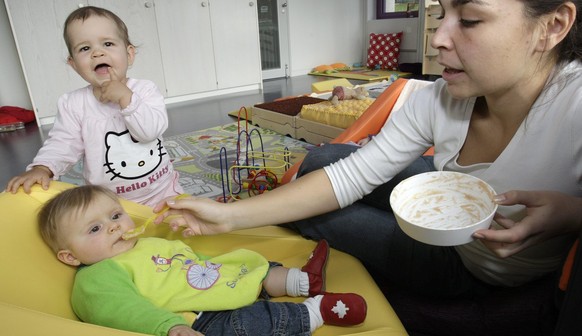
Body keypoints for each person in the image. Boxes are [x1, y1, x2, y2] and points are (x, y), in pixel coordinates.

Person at [151, 0, 582, 325]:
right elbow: (353, 174)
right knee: (321, 160)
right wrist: (226, 217)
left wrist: (572, 214)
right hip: (445, 204)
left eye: (468, 19)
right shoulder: (436, 98)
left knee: (324, 216)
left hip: (471, 265)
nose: (437, 37)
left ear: (552, 26)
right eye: (441, 12)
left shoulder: (575, 104)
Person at [38, 185, 367, 336]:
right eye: (95, 228)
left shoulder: (144, 242)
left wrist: (226, 269)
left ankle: (304, 281)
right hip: (197, 316)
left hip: (208, 280)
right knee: (249, 321)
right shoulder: (97, 276)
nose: (114, 226)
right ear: (69, 256)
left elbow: (189, 259)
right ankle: (316, 312)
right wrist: (171, 327)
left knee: (255, 267)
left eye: (115, 215)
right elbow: (122, 310)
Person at [5, 6, 182, 207]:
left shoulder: (145, 90)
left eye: (108, 43)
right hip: (110, 202)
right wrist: (43, 168)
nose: (97, 53)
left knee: (185, 226)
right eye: (85, 48)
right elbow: (63, 143)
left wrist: (126, 98)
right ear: (73, 64)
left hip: (163, 191)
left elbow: (150, 131)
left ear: (129, 54)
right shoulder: (73, 104)